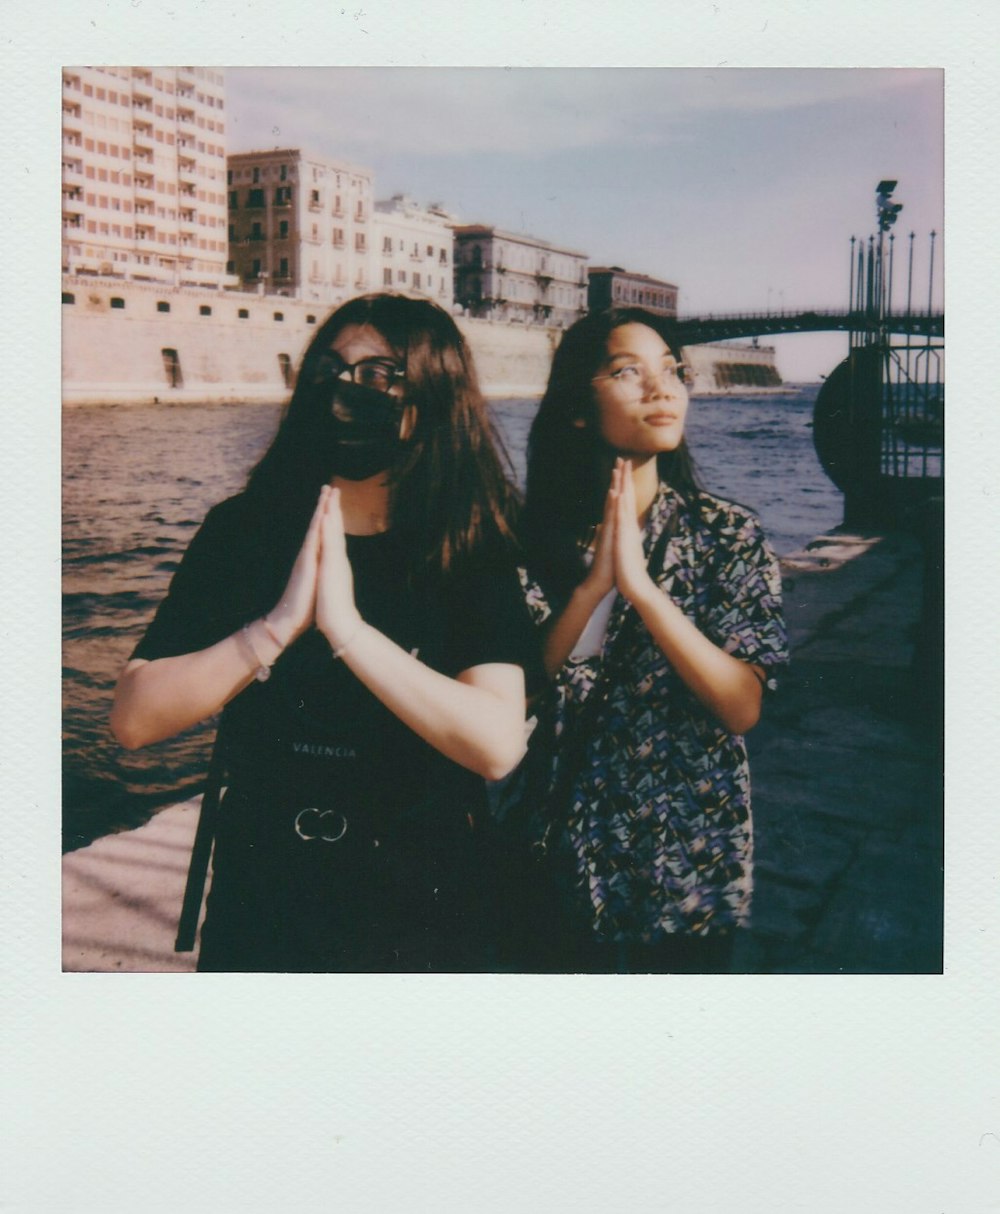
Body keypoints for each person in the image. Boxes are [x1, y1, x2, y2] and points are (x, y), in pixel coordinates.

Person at [110, 293, 534, 972]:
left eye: (377, 376)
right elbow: (134, 719)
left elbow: (495, 743)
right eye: (329, 370)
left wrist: (349, 632)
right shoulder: (244, 530)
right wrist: (273, 630)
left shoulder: (467, 548)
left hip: (423, 897)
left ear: (432, 399)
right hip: (264, 886)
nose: (344, 391)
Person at [517, 307, 788, 974]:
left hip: (684, 876)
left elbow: (741, 706)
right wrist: (590, 590)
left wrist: (642, 590)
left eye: (671, 370)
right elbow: (518, 692)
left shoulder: (728, 536)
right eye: (627, 372)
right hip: (555, 865)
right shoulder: (529, 541)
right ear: (578, 408)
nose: (662, 388)